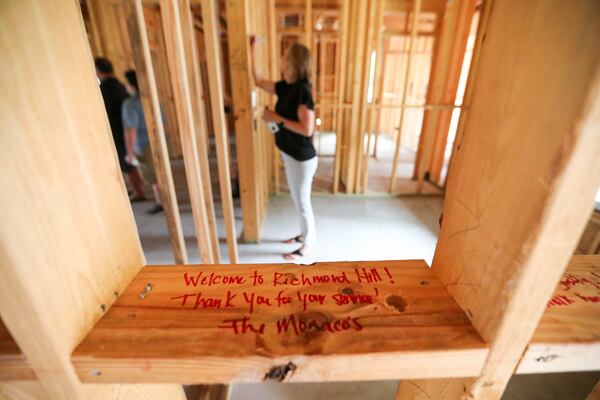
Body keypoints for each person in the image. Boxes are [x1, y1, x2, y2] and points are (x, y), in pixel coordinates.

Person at [250, 38, 317, 260]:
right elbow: (258, 81)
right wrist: (251, 49)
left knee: (302, 201)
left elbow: (307, 129)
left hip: (302, 158)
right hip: (290, 155)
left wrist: (275, 118)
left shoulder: (302, 91)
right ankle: (303, 235)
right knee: (299, 200)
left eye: (286, 57)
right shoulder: (285, 87)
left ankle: (308, 245)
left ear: (294, 63)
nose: (281, 59)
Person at [94, 58, 145, 201]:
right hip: (124, 129)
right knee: (129, 163)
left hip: (117, 131)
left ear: (98, 71)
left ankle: (138, 192)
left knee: (127, 164)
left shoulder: (104, 89)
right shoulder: (121, 86)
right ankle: (136, 189)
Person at [122, 70, 163, 215]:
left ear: (131, 85)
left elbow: (130, 130)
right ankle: (164, 200)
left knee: (153, 176)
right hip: (160, 141)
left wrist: (130, 153)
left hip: (144, 144)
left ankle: (161, 202)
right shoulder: (152, 99)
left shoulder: (130, 104)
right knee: (161, 172)